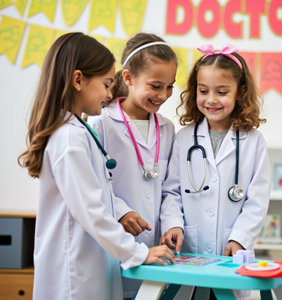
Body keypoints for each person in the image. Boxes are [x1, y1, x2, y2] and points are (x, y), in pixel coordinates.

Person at [17, 32, 175, 300]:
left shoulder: (77, 130)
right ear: (78, 80)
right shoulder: (70, 137)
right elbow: (92, 211)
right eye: (106, 84)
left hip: (92, 265)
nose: (110, 93)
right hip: (75, 275)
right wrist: (138, 253)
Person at [160, 44, 270, 299]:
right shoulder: (184, 138)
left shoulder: (254, 141)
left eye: (221, 92)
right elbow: (172, 192)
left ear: (240, 92)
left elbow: (258, 200)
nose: (211, 99)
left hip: (231, 253)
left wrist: (240, 238)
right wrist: (173, 224)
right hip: (188, 251)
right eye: (203, 90)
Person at [88, 32, 177, 298]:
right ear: (128, 78)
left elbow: (172, 188)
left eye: (170, 86)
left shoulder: (167, 128)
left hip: (158, 247)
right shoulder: (101, 123)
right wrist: (121, 212)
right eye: (155, 85)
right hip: (117, 243)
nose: (163, 95)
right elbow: (93, 184)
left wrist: (173, 223)